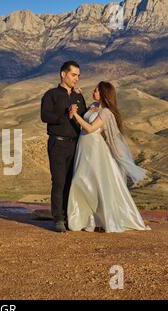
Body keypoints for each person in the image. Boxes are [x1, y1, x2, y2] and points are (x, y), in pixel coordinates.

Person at [68, 82, 150, 233]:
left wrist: (75, 116)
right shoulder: (94, 105)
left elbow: (91, 128)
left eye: (97, 90)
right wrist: (77, 95)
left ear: (104, 94)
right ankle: (86, 218)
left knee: (91, 182)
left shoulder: (106, 113)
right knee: (82, 180)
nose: (93, 91)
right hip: (83, 147)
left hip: (95, 150)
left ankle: (99, 218)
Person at [41, 61, 87, 233]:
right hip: (57, 143)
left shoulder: (78, 96)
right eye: (74, 75)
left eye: (78, 76)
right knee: (59, 181)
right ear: (63, 74)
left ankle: (70, 217)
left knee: (72, 182)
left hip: (76, 144)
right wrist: (65, 115)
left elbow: (85, 115)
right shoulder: (51, 95)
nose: (77, 78)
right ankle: (58, 219)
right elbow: (44, 116)